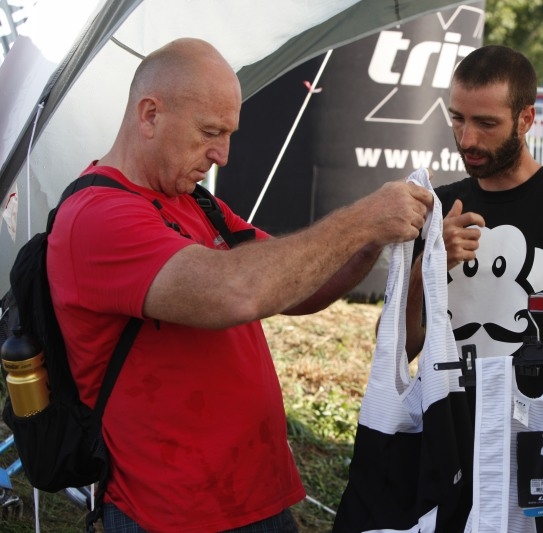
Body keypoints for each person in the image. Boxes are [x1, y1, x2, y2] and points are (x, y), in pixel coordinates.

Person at [46, 38, 432, 533]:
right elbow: (236, 292)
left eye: (228, 134)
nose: (222, 155)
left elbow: (298, 285)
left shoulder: (192, 200)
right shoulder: (98, 217)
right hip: (176, 514)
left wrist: (372, 239)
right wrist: (361, 220)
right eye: (210, 132)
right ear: (149, 115)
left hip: (253, 492)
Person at [403, 45, 543, 531]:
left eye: (486, 123)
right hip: (450, 438)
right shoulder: (435, 211)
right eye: (457, 119)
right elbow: (400, 348)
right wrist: (427, 265)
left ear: (526, 118)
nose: (467, 138)